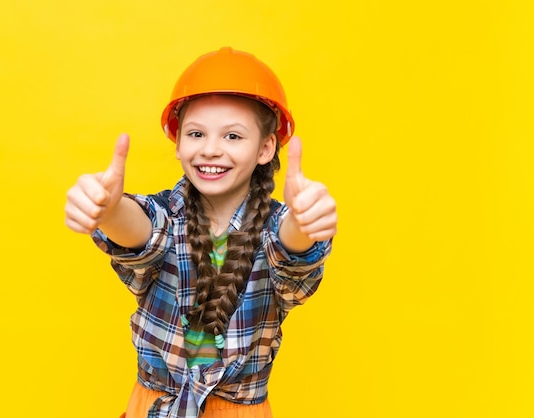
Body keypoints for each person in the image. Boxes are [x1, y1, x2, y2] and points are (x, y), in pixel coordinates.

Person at [64, 47, 338, 418]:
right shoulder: (167, 215)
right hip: (153, 408)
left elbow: (290, 256)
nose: (210, 150)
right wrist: (109, 210)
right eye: (196, 133)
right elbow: (142, 234)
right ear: (178, 143)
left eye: (233, 137)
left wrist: (304, 226)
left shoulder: (276, 230)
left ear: (266, 147)